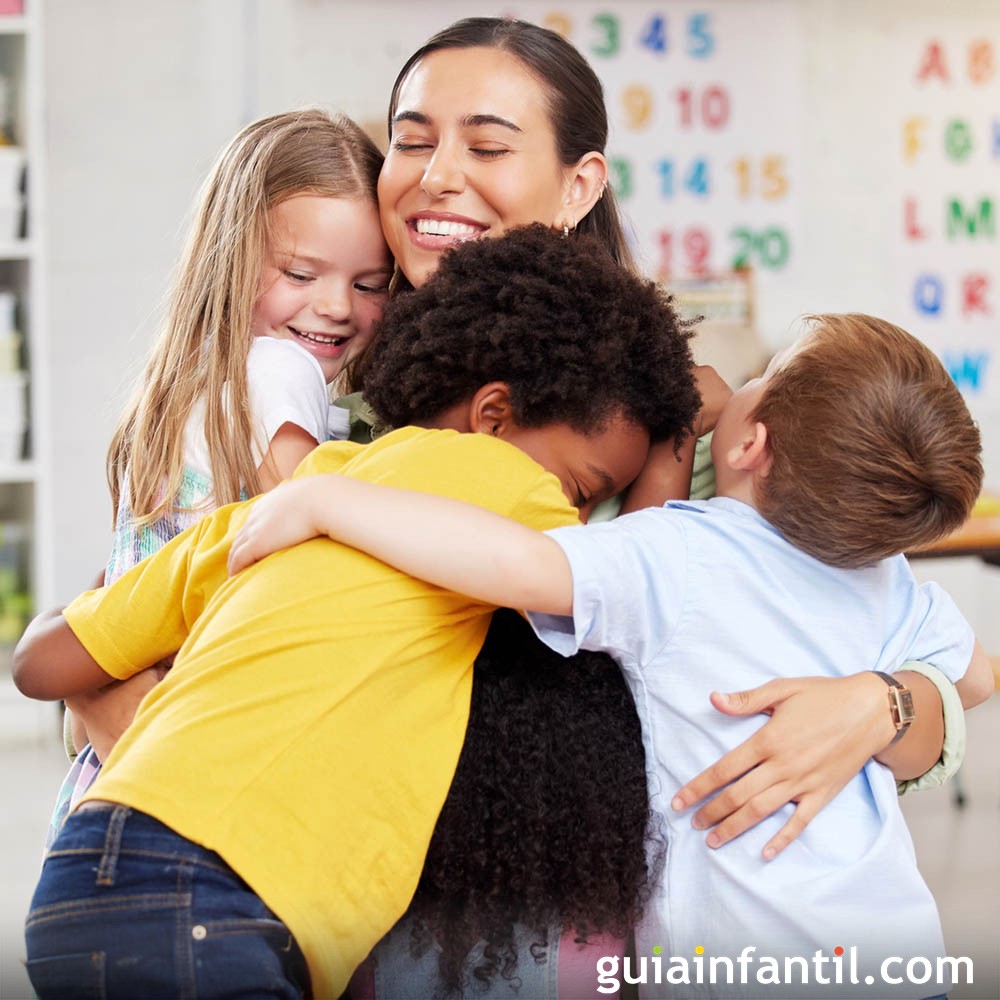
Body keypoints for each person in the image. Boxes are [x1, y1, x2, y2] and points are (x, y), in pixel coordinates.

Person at [14, 225, 701, 1000]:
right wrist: (674, 444)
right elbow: (620, 580)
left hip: (85, 870)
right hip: (220, 899)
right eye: (581, 488)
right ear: (494, 413)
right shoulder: (503, 483)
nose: (575, 513)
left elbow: (41, 663)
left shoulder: (274, 513)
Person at [228, 312, 993, 998]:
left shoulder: (682, 554)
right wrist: (876, 693)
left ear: (753, 440)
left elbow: (514, 561)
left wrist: (325, 499)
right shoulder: (882, 572)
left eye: (763, 375)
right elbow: (977, 674)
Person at [47, 107, 393, 845]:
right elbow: (318, 530)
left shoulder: (189, 386)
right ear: (231, 258)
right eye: (301, 273)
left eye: (371, 283)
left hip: (112, 790)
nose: (336, 306)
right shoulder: (277, 369)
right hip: (196, 778)